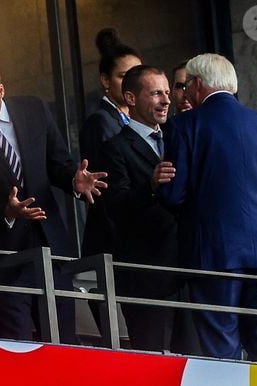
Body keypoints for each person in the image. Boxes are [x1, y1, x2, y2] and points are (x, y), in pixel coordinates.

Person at [0, 59, 107, 344]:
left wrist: (74, 181)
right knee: (19, 351)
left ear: (1, 90)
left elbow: (58, 162)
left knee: (64, 345)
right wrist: (7, 211)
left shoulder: (33, 109)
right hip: (6, 259)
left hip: (52, 251)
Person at [155, 53, 257, 364]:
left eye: (184, 88)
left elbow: (173, 195)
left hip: (214, 255)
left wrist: (155, 183)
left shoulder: (184, 126)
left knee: (221, 350)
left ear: (197, 85)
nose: (182, 94)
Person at [101, 64, 185, 352]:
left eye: (166, 92)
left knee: (198, 364)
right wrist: (149, 185)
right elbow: (115, 208)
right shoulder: (115, 148)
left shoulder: (178, 137)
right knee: (156, 362)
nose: (165, 100)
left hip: (188, 273)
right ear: (132, 98)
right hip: (147, 279)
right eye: (155, 94)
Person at [78, 28, 142, 257]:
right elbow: (106, 189)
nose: (132, 83)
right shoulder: (101, 122)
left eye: (137, 75)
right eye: (124, 76)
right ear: (105, 79)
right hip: (115, 241)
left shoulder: (136, 119)